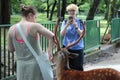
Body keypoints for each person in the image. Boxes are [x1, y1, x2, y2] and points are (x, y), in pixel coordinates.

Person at [8, 4, 56, 80]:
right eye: (35, 17)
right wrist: (49, 50)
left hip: (21, 67)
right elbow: (54, 37)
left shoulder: (11, 29)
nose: (35, 20)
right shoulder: (34, 26)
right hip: (35, 67)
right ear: (30, 15)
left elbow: (11, 49)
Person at [60, 4, 85, 71]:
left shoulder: (80, 22)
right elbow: (62, 34)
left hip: (77, 48)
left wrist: (76, 26)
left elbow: (82, 35)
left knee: (78, 68)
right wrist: (67, 25)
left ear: (76, 11)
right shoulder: (64, 22)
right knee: (67, 69)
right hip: (67, 48)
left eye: (73, 11)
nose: (71, 12)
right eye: (70, 11)